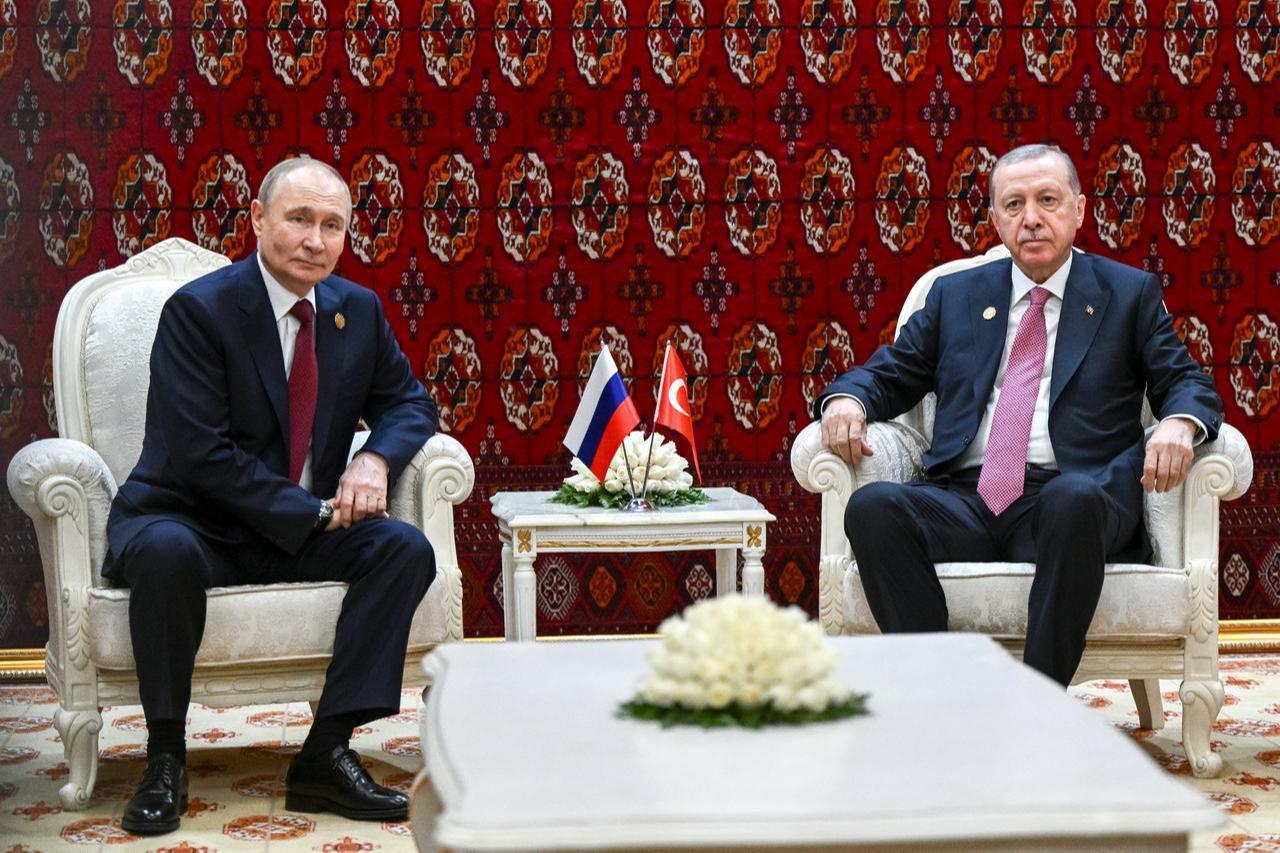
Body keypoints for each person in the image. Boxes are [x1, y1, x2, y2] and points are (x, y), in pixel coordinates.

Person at [103, 157, 438, 834]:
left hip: (295, 528)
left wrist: (373, 458)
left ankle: (324, 752)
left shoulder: (357, 312)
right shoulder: (200, 311)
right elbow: (201, 457)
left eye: (332, 225)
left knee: (403, 548)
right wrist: (316, 511)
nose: (315, 239)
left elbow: (410, 404)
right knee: (164, 551)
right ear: (258, 219)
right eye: (299, 219)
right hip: (192, 521)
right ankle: (165, 756)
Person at [817, 143, 1222, 687]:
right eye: (1013, 205)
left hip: (1074, 503)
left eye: (1047, 200)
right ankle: (944, 693)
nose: (1031, 219)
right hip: (968, 498)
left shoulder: (1127, 294)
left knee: (1071, 499)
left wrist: (1178, 423)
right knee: (872, 507)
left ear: (1078, 209)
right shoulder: (954, 295)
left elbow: (1188, 381)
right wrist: (848, 400)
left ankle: (1037, 706)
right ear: (995, 220)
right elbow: (890, 372)